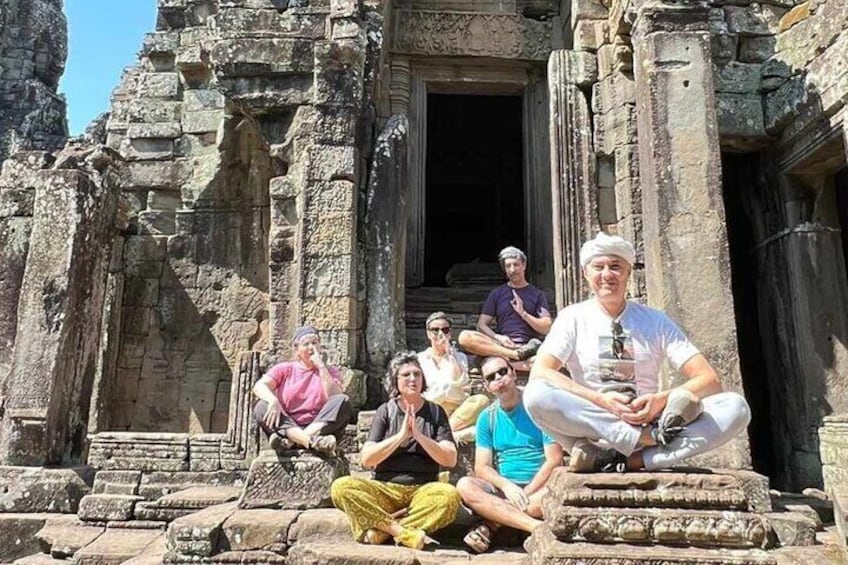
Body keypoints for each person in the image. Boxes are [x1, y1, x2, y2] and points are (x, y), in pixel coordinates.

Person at [524, 232, 752, 472]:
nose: (606, 275)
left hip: (654, 423)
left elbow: (709, 380)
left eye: (615, 267)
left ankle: (632, 460)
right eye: (598, 267)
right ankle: (640, 441)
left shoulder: (655, 320)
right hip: (595, 424)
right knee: (535, 394)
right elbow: (542, 371)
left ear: (628, 272)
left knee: (735, 407)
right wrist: (602, 401)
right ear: (585, 274)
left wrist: (659, 400)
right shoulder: (573, 317)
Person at [331, 351, 461, 550]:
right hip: (385, 488)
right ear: (395, 380)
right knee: (341, 487)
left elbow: (450, 459)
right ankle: (401, 532)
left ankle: (382, 531)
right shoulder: (386, 411)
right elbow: (366, 459)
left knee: (449, 496)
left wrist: (419, 436)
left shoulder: (435, 412)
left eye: (417, 374)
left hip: (423, 489)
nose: (412, 379)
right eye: (406, 375)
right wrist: (399, 437)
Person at [456, 356, 563, 553]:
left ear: (513, 373)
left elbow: (555, 460)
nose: (499, 378)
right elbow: (482, 467)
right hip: (506, 488)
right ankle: (536, 528)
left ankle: (492, 523)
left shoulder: (537, 408)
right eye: (491, 377)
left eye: (503, 372)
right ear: (487, 386)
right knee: (465, 485)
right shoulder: (487, 418)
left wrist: (526, 493)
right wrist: (508, 487)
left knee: (549, 499)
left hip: (539, 488)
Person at [252, 325, 352, 454]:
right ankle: (311, 442)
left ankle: (294, 441)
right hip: (288, 425)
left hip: (318, 426)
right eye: (306, 344)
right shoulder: (285, 369)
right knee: (261, 406)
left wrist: (321, 367)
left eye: (315, 343)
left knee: (342, 400)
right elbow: (259, 386)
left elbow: (334, 396)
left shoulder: (330, 371)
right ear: (297, 350)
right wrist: (273, 400)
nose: (312, 347)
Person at [458, 246, 553, 364]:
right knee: (465, 337)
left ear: (524, 265)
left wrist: (523, 313)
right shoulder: (497, 293)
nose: (512, 269)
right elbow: (482, 325)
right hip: (501, 346)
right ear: (505, 270)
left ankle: (508, 361)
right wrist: (498, 337)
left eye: (516, 265)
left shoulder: (537, 294)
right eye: (508, 266)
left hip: (528, 346)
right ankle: (514, 357)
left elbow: (546, 328)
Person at [418, 311, 490, 436]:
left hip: (457, 408)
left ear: (450, 333)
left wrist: (450, 355)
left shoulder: (459, 357)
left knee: (481, 400)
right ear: (428, 333)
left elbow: (460, 381)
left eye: (445, 330)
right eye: (435, 330)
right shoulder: (419, 358)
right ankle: (445, 429)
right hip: (432, 407)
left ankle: (444, 430)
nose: (440, 334)